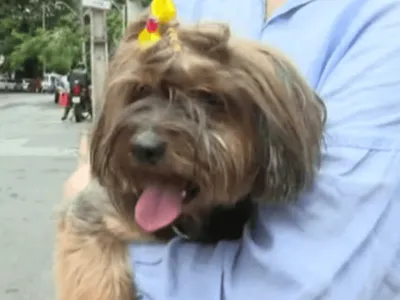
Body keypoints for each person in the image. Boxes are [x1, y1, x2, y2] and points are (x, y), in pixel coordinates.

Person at [63, 0, 400, 299]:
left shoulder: (380, 22)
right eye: (142, 95)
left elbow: (304, 287)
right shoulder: (184, 6)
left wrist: (130, 259)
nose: (148, 137)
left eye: (210, 101)